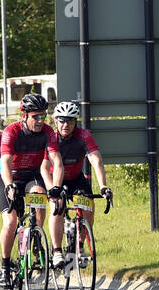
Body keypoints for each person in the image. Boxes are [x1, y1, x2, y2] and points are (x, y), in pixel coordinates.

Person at [0, 92, 63, 286]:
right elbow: (6, 162)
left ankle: (36, 234)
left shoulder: (48, 132)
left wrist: (57, 187)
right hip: (11, 175)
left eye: (43, 115)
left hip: (31, 175)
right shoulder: (12, 131)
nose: (41, 120)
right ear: (24, 115)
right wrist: (9, 185)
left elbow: (57, 162)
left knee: (40, 194)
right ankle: (4, 265)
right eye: (36, 116)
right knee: (10, 222)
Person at [46, 100, 112, 268]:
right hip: (56, 178)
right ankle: (57, 251)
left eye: (70, 120)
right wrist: (51, 189)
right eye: (62, 120)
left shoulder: (83, 136)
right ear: (55, 121)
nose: (65, 124)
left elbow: (96, 161)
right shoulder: (51, 138)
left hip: (76, 177)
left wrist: (103, 186)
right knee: (57, 208)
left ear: (76, 122)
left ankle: (80, 245)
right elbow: (44, 167)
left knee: (88, 208)